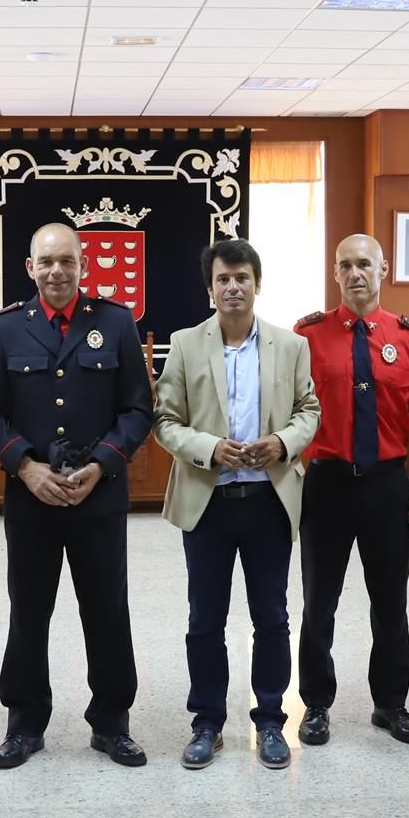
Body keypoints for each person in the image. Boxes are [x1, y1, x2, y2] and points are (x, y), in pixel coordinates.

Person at [0, 223, 153, 770]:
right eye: (45, 262)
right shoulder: (5, 329)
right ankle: (25, 724)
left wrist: (101, 465)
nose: (57, 271)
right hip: (32, 497)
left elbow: (137, 410)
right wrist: (25, 468)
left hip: (98, 496)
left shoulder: (116, 323)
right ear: (29, 268)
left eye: (67, 262)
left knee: (106, 610)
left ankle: (111, 723)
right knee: (30, 610)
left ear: (83, 266)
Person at [153, 239, 321, 770]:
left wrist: (284, 443)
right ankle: (207, 723)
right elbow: (165, 421)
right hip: (209, 501)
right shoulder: (184, 344)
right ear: (210, 288)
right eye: (223, 279)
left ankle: (271, 720)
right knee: (206, 619)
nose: (233, 287)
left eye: (242, 277)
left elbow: (309, 409)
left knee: (270, 617)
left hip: (268, 499)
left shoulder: (289, 345)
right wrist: (208, 448)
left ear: (257, 283)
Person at [294, 233, 409, 747]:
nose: (356, 273)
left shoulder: (408, 338)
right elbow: (291, 413)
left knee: (390, 600)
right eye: (345, 265)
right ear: (335, 273)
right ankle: (316, 704)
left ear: (383, 270)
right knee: (319, 601)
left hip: (386, 484)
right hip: (328, 484)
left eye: (365, 264)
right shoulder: (307, 336)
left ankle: (391, 703)